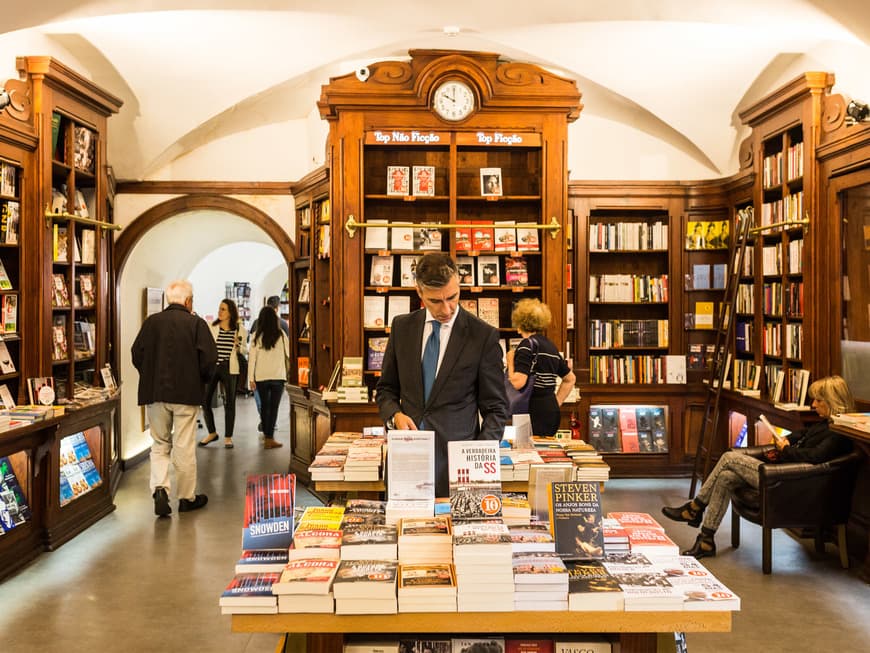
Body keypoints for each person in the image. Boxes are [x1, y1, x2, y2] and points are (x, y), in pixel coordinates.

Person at [662, 375, 855, 558]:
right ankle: (706, 539)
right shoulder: (826, 424)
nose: (813, 405)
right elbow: (802, 435)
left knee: (729, 458)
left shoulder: (838, 432)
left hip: (788, 482)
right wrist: (786, 440)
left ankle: (695, 507)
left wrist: (786, 451)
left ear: (833, 400)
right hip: (784, 475)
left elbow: (816, 457)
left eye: (819, 400)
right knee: (726, 477)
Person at [376, 252, 508, 496]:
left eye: (452, 297)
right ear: (419, 292)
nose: (446, 309)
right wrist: (394, 415)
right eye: (435, 301)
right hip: (407, 461)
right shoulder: (401, 327)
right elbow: (386, 390)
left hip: (459, 468)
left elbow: (496, 409)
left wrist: (476, 458)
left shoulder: (482, 336)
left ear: (459, 284)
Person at [131, 279, 216, 517]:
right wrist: (201, 380)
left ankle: (160, 488)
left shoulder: (151, 323)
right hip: (186, 394)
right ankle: (187, 498)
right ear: (189, 301)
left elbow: (136, 354)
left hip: (155, 393)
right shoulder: (196, 324)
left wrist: (151, 374)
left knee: (159, 444)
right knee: (184, 445)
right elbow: (209, 360)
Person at [506, 298, 576, 437]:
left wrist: (510, 361)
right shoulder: (551, 347)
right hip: (551, 409)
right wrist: (556, 402)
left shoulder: (526, 345)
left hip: (531, 410)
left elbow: (518, 382)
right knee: (544, 451)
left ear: (521, 322)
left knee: (527, 454)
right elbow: (570, 379)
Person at [199, 298, 247, 449]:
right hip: (213, 366)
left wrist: (238, 346)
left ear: (231, 312)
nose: (219, 311)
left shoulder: (240, 330)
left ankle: (228, 437)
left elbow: (245, 350)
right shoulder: (211, 327)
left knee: (230, 402)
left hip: (229, 367)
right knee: (205, 401)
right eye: (219, 308)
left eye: (223, 309)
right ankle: (212, 433)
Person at [248, 306, 290, 449]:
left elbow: (252, 359)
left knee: (265, 406)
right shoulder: (281, 335)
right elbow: (288, 355)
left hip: (261, 377)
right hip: (278, 376)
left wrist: (251, 378)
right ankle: (270, 437)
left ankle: (267, 436)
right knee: (274, 407)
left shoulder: (255, 336)